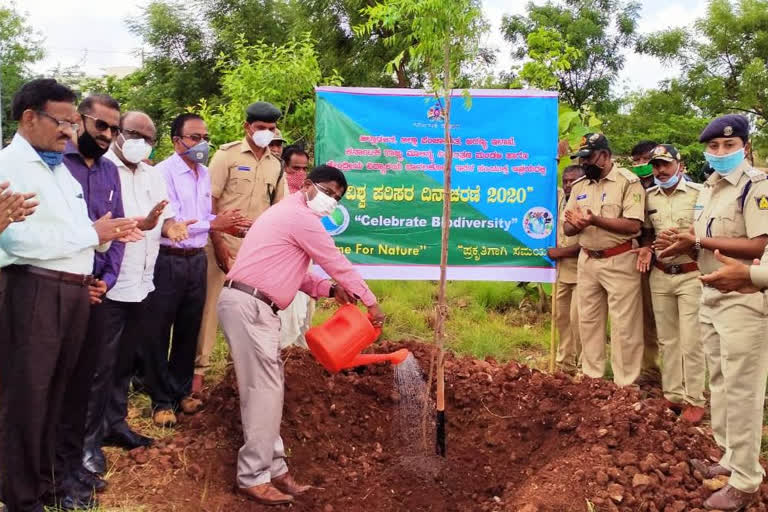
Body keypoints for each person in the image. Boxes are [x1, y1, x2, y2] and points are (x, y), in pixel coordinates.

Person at [0, 78, 136, 512]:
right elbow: (18, 243)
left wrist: (105, 237)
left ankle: (49, 484)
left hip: (76, 293)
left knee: (60, 396)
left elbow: (79, 235)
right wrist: (90, 234)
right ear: (29, 118)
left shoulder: (60, 168)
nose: (68, 131)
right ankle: (21, 498)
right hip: (34, 290)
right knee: (27, 398)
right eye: (61, 121)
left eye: (71, 121)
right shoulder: (10, 167)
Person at [217, 165, 385, 506]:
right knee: (263, 392)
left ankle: (275, 468)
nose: (331, 200)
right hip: (249, 306)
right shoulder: (301, 217)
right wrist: (371, 302)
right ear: (307, 185)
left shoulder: (287, 216)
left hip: (254, 306)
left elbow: (299, 273)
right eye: (328, 191)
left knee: (269, 390)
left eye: (337, 198)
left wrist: (329, 289)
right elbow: (335, 260)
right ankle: (253, 476)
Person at [657, 114, 768, 510]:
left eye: (729, 146)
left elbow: (757, 246)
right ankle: (727, 457)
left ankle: (746, 480)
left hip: (744, 296)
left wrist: (698, 238)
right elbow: (709, 242)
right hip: (712, 294)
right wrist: (686, 245)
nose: (720, 153)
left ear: (744, 147)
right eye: (714, 147)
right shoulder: (709, 188)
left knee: (742, 390)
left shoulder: (756, 186)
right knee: (719, 381)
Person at [77, 112, 196, 477]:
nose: (140, 141)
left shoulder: (151, 174)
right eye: (133, 133)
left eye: (148, 137)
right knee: (99, 366)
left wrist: (173, 225)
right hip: (110, 283)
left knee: (124, 363)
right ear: (117, 133)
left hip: (144, 283)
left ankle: (115, 425)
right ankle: (87, 442)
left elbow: (166, 216)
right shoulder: (102, 170)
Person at [144, 113, 248, 428]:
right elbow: (174, 223)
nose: (202, 143)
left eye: (205, 137)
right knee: (160, 330)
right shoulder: (162, 173)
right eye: (194, 137)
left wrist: (225, 227)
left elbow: (205, 216)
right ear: (177, 141)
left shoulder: (203, 173)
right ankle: (160, 400)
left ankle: (179, 393)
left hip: (196, 259)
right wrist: (214, 224)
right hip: (168, 257)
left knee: (190, 327)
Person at [196, 102, 285, 393]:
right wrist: (219, 245)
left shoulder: (276, 165)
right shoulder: (226, 156)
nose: (266, 134)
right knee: (209, 312)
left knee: (251, 315)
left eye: (271, 129)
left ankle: (238, 380)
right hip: (220, 244)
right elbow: (209, 202)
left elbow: (278, 212)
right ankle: (197, 378)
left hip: (255, 254)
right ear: (248, 127)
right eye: (261, 128)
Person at [563, 133, 646, 387]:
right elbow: (567, 229)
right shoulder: (579, 186)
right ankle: (592, 378)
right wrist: (575, 225)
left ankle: (625, 383)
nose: (585, 163)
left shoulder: (628, 182)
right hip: (587, 260)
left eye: (589, 158)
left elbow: (633, 225)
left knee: (624, 326)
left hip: (619, 260)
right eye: (582, 158)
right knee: (587, 321)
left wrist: (594, 220)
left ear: (606, 156)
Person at [634, 144, 706, 423]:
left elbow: (708, 231)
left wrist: (688, 238)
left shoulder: (700, 194)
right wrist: (645, 248)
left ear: (680, 165)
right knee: (667, 339)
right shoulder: (649, 197)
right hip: (661, 274)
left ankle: (695, 399)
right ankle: (673, 395)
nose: (660, 171)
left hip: (691, 273)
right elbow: (646, 234)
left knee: (691, 340)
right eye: (656, 166)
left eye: (665, 164)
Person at [630, 141, 663, 388]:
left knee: (672, 321)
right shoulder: (633, 187)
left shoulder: (675, 185)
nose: (641, 165)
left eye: (645, 160)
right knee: (645, 318)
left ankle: (678, 375)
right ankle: (650, 369)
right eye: (636, 161)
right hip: (640, 261)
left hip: (670, 262)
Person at [547, 164, 584, 375]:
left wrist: (560, 253)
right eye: (565, 181)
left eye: (573, 181)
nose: (568, 184)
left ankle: (583, 367)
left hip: (582, 271)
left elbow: (590, 243)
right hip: (561, 271)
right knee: (562, 318)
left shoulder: (586, 201)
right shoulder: (561, 199)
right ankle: (564, 365)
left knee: (579, 321)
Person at [277, 145, 315, 348]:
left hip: (304, 259)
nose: (300, 174)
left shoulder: (309, 196)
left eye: (304, 169)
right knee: (288, 313)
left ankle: (300, 361)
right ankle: (283, 353)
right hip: (282, 263)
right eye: (294, 169)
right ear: (284, 167)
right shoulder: (277, 191)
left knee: (305, 312)